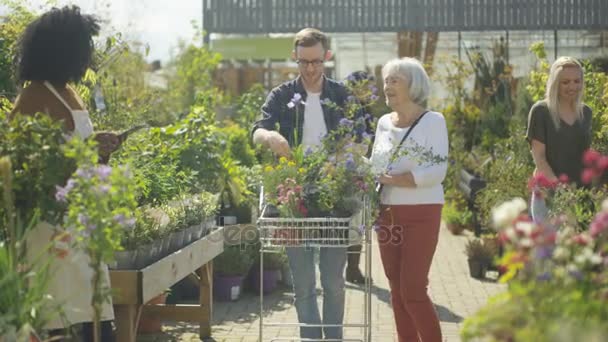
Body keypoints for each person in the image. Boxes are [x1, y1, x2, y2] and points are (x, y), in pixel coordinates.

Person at [11, 6, 120, 341]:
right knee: (63, 319)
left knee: (90, 316)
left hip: (77, 225)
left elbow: (76, 156)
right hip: (50, 232)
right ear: (63, 49)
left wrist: (101, 152)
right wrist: (88, 153)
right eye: (83, 45)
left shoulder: (67, 91)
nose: (89, 54)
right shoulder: (32, 98)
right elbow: (30, 172)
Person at [252, 27, 353, 340]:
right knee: (304, 280)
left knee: (334, 280)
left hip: (335, 195)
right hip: (292, 195)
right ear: (295, 59)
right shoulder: (282, 95)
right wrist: (269, 136)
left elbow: (364, 136)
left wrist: (349, 151)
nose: (310, 69)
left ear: (327, 57)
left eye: (316, 62)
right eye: (304, 62)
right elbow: (256, 130)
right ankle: (311, 337)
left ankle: (333, 336)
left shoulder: (341, 95)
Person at [370, 57, 448, 342]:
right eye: (386, 80)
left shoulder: (433, 121)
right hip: (387, 212)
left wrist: (396, 179)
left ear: (413, 86)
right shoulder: (382, 123)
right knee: (395, 289)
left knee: (413, 291)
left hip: (422, 212)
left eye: (395, 80)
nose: (387, 86)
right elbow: (377, 165)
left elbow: (437, 171)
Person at [526, 56, 592, 222]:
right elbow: (539, 158)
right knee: (550, 247)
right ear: (555, 83)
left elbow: (586, 155)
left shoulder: (586, 113)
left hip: (580, 197)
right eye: (565, 82)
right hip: (548, 196)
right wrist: (561, 190)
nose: (572, 86)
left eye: (577, 81)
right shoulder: (541, 112)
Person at [343, 70, 375, 285]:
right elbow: (361, 145)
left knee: (357, 222)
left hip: (356, 169)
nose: (371, 91)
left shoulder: (364, 109)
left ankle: (352, 270)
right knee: (355, 221)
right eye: (366, 86)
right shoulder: (351, 108)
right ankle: (351, 270)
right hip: (350, 170)